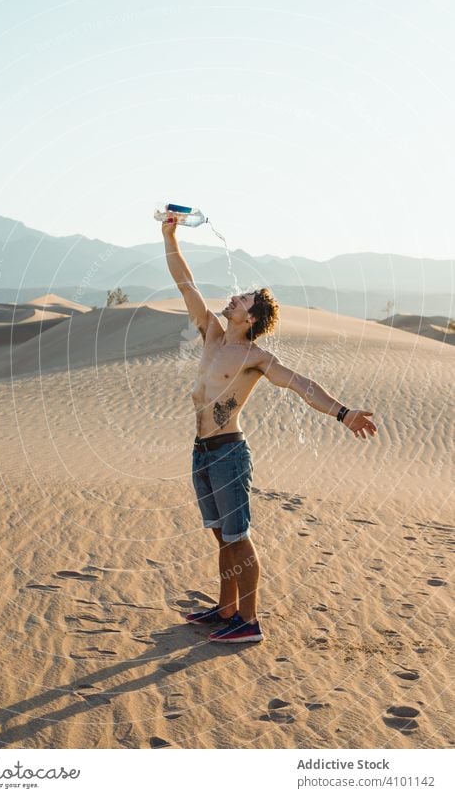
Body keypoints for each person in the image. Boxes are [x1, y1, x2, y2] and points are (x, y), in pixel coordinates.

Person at [162, 216, 378, 643]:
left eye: (242, 298)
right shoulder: (211, 333)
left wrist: (343, 413)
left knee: (239, 536)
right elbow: (186, 284)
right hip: (201, 450)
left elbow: (302, 384)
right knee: (221, 534)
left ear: (251, 316)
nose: (234, 297)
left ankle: (249, 621)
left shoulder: (256, 357)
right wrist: (169, 235)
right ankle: (226, 609)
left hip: (228, 452)